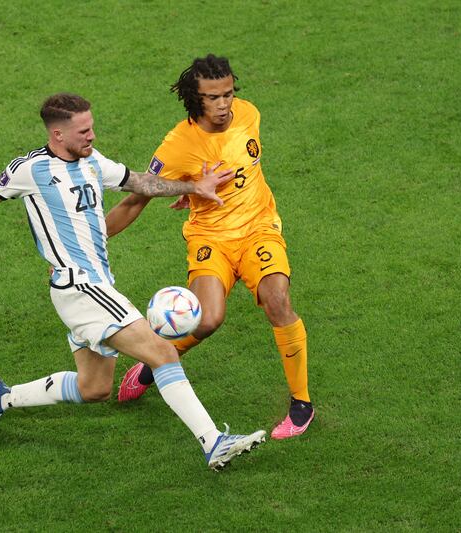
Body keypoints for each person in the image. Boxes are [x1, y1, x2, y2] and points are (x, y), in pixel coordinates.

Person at [0, 92, 266, 470]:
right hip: (81, 286)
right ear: (58, 134)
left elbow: (142, 183)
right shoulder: (32, 169)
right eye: (83, 131)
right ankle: (213, 442)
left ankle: (3, 398)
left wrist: (193, 187)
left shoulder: (93, 162)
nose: (92, 136)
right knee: (163, 352)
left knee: (94, 388)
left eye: (92, 127)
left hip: (92, 286)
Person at [107, 55, 315, 440]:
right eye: (213, 98)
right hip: (210, 239)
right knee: (207, 320)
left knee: (278, 300)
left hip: (258, 229)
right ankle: (154, 365)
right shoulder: (177, 145)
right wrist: (94, 239)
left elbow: (245, 172)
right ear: (193, 98)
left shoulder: (249, 114)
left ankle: (301, 403)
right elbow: (135, 200)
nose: (224, 105)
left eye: (228, 94)